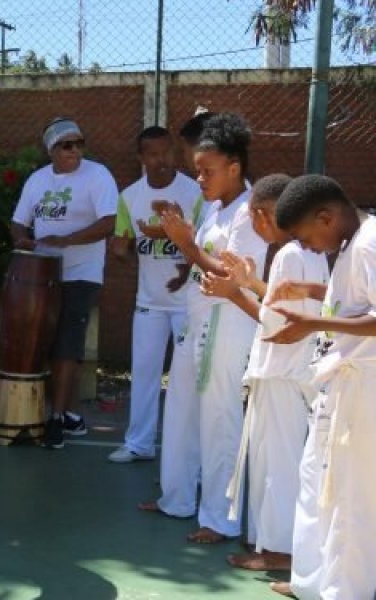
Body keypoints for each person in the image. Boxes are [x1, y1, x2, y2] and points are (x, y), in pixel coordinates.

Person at [146, 113, 268, 545]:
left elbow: (228, 275)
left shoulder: (249, 214)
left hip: (227, 323)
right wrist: (188, 245)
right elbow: (203, 265)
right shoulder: (217, 208)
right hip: (195, 318)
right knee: (180, 410)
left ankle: (220, 517)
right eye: (197, 170)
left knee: (219, 418)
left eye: (207, 170)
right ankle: (176, 498)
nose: (199, 178)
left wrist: (186, 243)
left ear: (235, 167)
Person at [198, 174, 327, 572]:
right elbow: (282, 302)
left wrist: (234, 293)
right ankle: (271, 544)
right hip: (294, 374)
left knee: (277, 466)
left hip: (281, 375)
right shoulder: (312, 252)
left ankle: (278, 552)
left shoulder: (290, 253)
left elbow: (272, 322)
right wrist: (251, 281)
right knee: (281, 463)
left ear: (264, 214)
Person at [263, 174, 376, 599]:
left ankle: (348, 592)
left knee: (351, 499)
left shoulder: (369, 243)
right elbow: (352, 301)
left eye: (306, 236)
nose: (307, 247)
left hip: (365, 388)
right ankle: (319, 583)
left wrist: (315, 323)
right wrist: (314, 297)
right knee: (321, 487)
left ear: (326, 217)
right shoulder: (352, 244)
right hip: (343, 385)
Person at [10, 117, 118, 449]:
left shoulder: (97, 175)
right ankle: (56, 415)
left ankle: (56, 419)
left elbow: (109, 222)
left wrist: (68, 240)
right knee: (41, 343)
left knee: (66, 345)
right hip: (41, 276)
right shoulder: (37, 180)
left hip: (80, 273)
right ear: (51, 150)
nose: (75, 151)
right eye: (66, 145)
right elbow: (17, 223)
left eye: (79, 144)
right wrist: (24, 241)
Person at [106, 126, 202, 463]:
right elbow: (122, 242)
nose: (161, 160)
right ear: (141, 158)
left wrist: (185, 270)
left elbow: (205, 246)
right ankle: (139, 443)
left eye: (167, 152)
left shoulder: (193, 192)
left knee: (186, 379)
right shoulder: (129, 197)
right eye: (153, 154)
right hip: (149, 303)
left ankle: (188, 449)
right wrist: (121, 249)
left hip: (188, 303)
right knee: (144, 373)